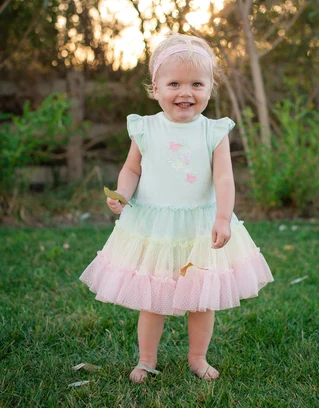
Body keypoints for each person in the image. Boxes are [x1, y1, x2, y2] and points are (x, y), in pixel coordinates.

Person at [79, 33, 274, 383]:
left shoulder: (213, 132)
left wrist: (222, 218)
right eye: (174, 84)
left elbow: (225, 179)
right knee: (152, 297)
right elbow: (132, 168)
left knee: (202, 298)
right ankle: (146, 360)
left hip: (200, 224)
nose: (186, 93)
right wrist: (122, 193)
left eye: (197, 84)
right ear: (155, 88)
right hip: (153, 225)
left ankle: (197, 358)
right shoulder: (146, 127)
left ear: (210, 89)